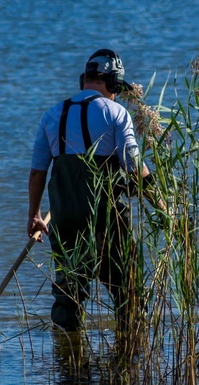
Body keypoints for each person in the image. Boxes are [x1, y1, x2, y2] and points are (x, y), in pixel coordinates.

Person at [27, 49, 149, 334]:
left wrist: (34, 215)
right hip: (107, 220)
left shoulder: (52, 115)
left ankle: (68, 363)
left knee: (68, 296)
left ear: (84, 79)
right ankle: (129, 349)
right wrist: (158, 199)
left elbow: (37, 172)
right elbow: (134, 165)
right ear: (113, 83)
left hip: (65, 219)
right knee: (127, 292)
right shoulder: (116, 112)